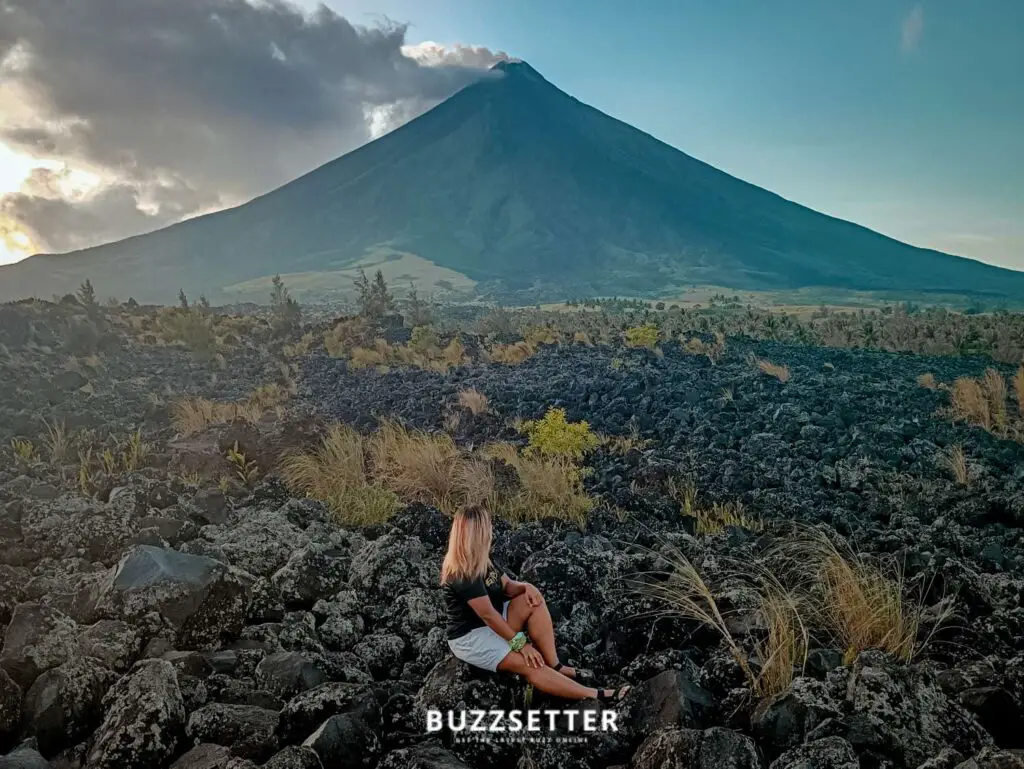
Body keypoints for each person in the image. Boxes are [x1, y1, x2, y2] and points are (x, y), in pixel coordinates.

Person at [441, 505, 630, 702]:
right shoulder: (462, 574)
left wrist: (527, 586)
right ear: (478, 532)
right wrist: (521, 645)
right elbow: (489, 616)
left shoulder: (482, 559)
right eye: (487, 525)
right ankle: (597, 694)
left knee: (532, 601)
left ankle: (556, 666)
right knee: (529, 663)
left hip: (494, 623)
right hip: (472, 637)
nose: (491, 528)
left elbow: (507, 586)